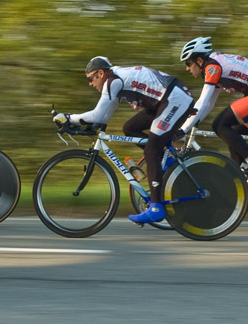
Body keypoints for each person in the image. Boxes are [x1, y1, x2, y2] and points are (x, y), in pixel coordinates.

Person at [53, 57, 194, 225]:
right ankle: (169, 163)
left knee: (151, 151)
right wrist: (82, 125)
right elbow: (104, 116)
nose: (90, 84)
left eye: (91, 79)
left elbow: (97, 115)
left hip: (174, 100)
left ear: (101, 73)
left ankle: (156, 208)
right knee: (130, 128)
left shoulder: (112, 82)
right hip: (164, 100)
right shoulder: (114, 80)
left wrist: (69, 118)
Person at [177, 37, 248, 192]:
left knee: (219, 125)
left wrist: (183, 129)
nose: (187, 69)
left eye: (188, 64)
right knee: (231, 133)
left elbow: (202, 102)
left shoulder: (212, 68)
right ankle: (244, 184)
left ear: (199, 60)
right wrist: (193, 122)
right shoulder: (213, 66)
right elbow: (209, 104)